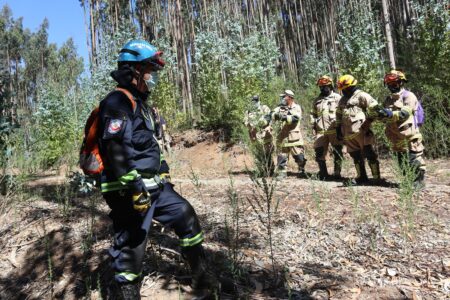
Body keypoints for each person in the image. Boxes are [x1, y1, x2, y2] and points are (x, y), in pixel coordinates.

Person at [97, 39, 216, 299]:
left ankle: (202, 277)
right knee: (133, 246)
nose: (152, 78)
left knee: (185, 214)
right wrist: (134, 187)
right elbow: (114, 147)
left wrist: (162, 172)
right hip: (128, 188)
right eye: (149, 71)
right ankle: (126, 293)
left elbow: (148, 146)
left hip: (153, 186)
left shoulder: (142, 105)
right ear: (133, 71)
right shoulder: (117, 101)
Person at [376, 70, 426, 186]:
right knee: (401, 162)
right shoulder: (388, 99)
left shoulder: (409, 96)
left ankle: (419, 182)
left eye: (393, 83)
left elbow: (405, 113)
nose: (391, 86)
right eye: (388, 84)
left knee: (413, 159)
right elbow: (384, 117)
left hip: (410, 135)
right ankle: (409, 182)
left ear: (401, 83)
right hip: (395, 137)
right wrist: (379, 115)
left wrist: (390, 114)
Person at [336, 75, 381, 184]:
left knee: (369, 154)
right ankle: (361, 177)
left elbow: (376, 109)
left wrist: (369, 121)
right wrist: (338, 128)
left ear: (351, 86)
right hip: (349, 135)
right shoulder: (343, 99)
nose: (344, 91)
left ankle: (376, 178)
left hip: (363, 132)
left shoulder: (362, 95)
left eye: (345, 89)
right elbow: (338, 114)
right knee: (355, 156)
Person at [310, 76, 343, 179]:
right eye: (320, 87)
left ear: (330, 86)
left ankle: (337, 173)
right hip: (321, 131)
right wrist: (313, 125)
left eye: (324, 87)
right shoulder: (317, 100)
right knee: (319, 151)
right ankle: (323, 174)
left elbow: (342, 112)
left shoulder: (337, 98)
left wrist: (342, 128)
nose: (322, 89)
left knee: (337, 152)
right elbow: (313, 114)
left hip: (334, 130)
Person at [271, 90, 306, 179]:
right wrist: (274, 115)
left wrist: (283, 117)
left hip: (294, 136)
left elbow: (295, 118)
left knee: (299, 157)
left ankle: (301, 169)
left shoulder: (296, 107)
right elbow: (272, 114)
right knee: (282, 155)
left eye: (284, 97)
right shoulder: (279, 108)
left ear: (290, 98)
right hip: (282, 136)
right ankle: (282, 173)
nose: (282, 99)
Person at [243, 95, 274, 176]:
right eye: (253, 100)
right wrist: (250, 125)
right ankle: (261, 171)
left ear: (259, 100)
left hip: (264, 135)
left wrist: (266, 125)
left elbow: (270, 118)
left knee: (267, 153)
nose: (255, 102)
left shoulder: (264, 108)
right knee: (258, 153)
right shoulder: (248, 111)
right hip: (254, 135)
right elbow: (245, 121)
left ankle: (270, 171)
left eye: (256, 100)